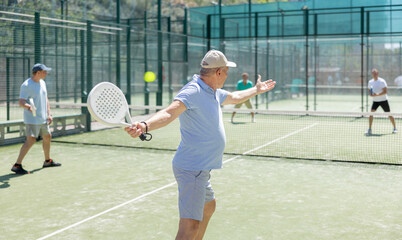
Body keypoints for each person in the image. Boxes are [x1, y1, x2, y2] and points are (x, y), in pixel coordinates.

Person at [125, 50, 276, 240]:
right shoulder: (194, 90)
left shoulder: (213, 92)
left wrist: (256, 89)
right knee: (189, 226)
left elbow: (236, 97)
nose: (228, 75)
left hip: (200, 169)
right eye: (227, 71)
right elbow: (169, 113)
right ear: (219, 72)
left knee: (208, 206)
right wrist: (145, 126)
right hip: (192, 167)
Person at [11, 63, 61, 174]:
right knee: (31, 141)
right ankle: (17, 165)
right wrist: (29, 107)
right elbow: (21, 102)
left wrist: (49, 113)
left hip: (43, 118)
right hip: (32, 119)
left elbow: (45, 98)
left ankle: (47, 161)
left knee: (47, 136)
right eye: (44, 71)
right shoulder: (26, 85)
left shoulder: (43, 83)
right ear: (38, 73)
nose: (46, 73)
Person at [366, 68, 397, 135]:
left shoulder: (382, 81)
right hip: (375, 101)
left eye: (376, 73)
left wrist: (377, 94)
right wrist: (371, 94)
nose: (374, 74)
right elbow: (369, 90)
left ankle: (395, 128)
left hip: (383, 100)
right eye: (373, 73)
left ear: (378, 74)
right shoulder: (370, 82)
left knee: (389, 114)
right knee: (371, 114)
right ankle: (369, 129)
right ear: (372, 74)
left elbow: (385, 92)